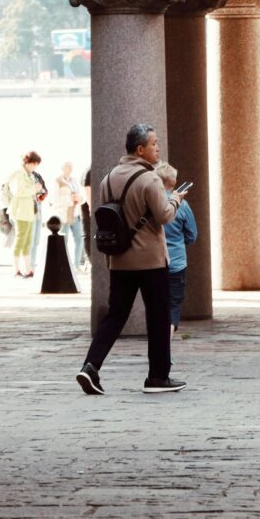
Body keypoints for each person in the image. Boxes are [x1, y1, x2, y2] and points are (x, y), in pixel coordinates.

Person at [77, 123, 187, 395]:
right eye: (153, 144)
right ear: (140, 149)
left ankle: (91, 366)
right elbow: (163, 216)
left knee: (115, 315)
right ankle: (158, 377)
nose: (157, 147)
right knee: (159, 317)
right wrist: (175, 200)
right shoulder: (150, 179)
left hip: (120, 260)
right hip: (150, 261)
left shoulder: (108, 178)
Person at [160, 162, 198, 336]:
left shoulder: (152, 203)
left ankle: (159, 343)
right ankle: (167, 341)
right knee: (174, 304)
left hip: (155, 262)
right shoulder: (182, 205)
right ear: (174, 183)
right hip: (176, 262)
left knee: (157, 305)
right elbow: (192, 235)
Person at [3, 151, 45, 278]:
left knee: (28, 241)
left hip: (28, 212)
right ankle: (16, 269)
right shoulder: (18, 174)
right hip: (20, 211)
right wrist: (34, 189)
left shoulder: (30, 175)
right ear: (27, 162)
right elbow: (19, 191)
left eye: (36, 164)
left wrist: (37, 190)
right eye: (33, 164)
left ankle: (28, 269)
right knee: (20, 239)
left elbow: (30, 192)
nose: (35, 166)